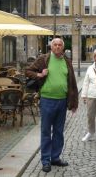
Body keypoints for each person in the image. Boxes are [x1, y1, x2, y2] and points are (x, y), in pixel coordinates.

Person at [26, 38, 78, 173]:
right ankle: (45, 160)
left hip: (62, 101)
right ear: (51, 46)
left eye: (60, 45)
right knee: (45, 131)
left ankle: (55, 157)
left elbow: (72, 82)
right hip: (47, 100)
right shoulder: (44, 59)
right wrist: (39, 74)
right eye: (55, 44)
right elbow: (28, 71)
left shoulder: (67, 61)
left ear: (63, 47)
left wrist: (74, 102)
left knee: (59, 131)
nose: (57, 47)